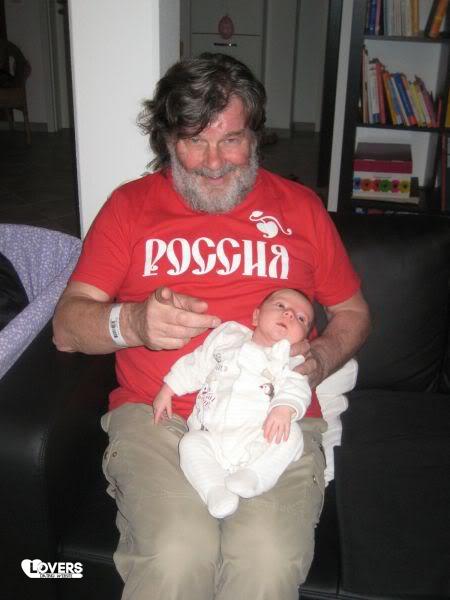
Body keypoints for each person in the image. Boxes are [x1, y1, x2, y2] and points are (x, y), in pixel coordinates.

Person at [53, 53, 371, 600]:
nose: (213, 161)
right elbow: (66, 326)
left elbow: (355, 312)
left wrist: (320, 360)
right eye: (193, 140)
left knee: (266, 561)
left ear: (256, 136)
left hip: (273, 424)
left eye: (231, 139)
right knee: (177, 554)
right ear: (167, 140)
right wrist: (133, 323)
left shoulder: (301, 208)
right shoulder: (129, 207)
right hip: (158, 417)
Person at [153, 288, 314, 519]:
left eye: (300, 318)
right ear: (256, 316)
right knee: (190, 443)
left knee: (292, 434)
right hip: (213, 436)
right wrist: (169, 388)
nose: (289, 314)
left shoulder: (291, 361)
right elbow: (197, 364)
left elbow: (297, 387)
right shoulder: (228, 338)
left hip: (261, 437)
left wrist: (284, 409)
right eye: (280, 306)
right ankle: (215, 490)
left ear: (303, 338)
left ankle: (257, 475)